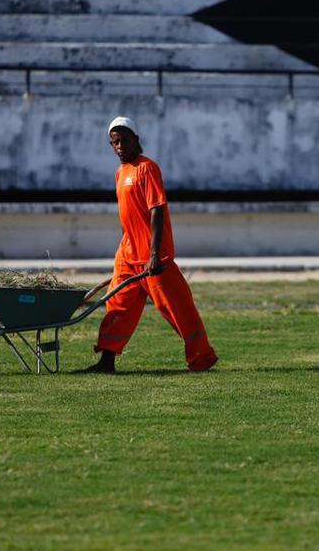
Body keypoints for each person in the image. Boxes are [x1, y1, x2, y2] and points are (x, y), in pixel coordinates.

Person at [75, 116, 218, 374]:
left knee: (176, 308)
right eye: (115, 143)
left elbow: (157, 210)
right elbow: (128, 215)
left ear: (136, 140)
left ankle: (202, 358)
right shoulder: (120, 173)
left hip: (154, 257)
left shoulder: (147, 168)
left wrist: (154, 254)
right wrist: (124, 246)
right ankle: (106, 362)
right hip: (127, 255)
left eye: (124, 141)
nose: (119, 147)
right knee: (117, 306)